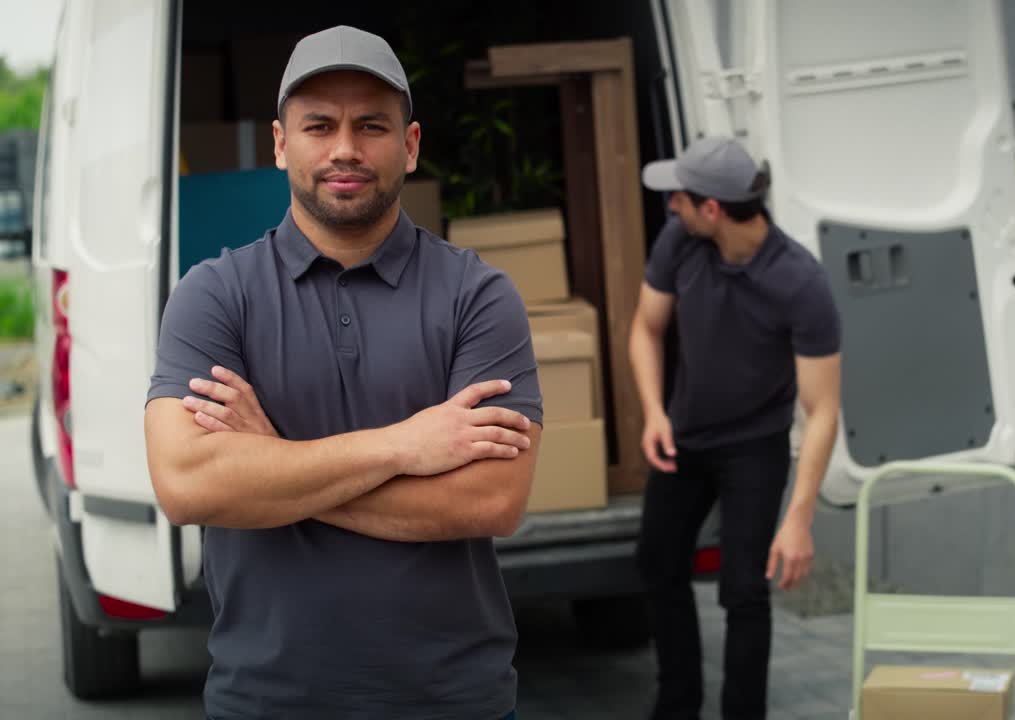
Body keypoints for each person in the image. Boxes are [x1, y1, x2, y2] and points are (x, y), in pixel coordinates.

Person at [142, 26, 539, 720]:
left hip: (454, 700)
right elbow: (186, 484)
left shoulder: (478, 296)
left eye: (371, 126)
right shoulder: (215, 295)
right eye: (319, 126)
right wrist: (402, 447)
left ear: (410, 145)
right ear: (279, 143)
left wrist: (267, 465)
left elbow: (490, 501)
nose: (345, 148)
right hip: (266, 700)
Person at [630, 136, 842, 719]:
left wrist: (798, 519)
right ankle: (678, 706)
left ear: (713, 209)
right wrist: (654, 412)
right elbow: (646, 329)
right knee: (657, 563)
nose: (671, 205)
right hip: (686, 437)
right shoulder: (680, 241)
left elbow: (822, 409)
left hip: (754, 447)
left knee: (744, 590)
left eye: (680, 197)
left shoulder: (800, 281)